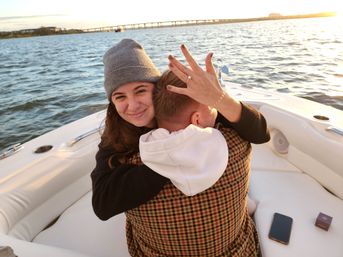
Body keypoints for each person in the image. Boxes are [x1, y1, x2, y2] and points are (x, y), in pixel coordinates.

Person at [91, 38, 269, 224]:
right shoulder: (115, 135)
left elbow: (260, 133)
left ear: (156, 88)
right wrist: (174, 154)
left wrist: (220, 99)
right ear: (113, 103)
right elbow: (102, 205)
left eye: (140, 91)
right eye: (120, 97)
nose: (133, 105)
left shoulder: (189, 107)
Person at [125, 69, 260, 256]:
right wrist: (220, 99)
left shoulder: (126, 169)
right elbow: (257, 127)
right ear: (196, 119)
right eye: (214, 108)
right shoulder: (238, 145)